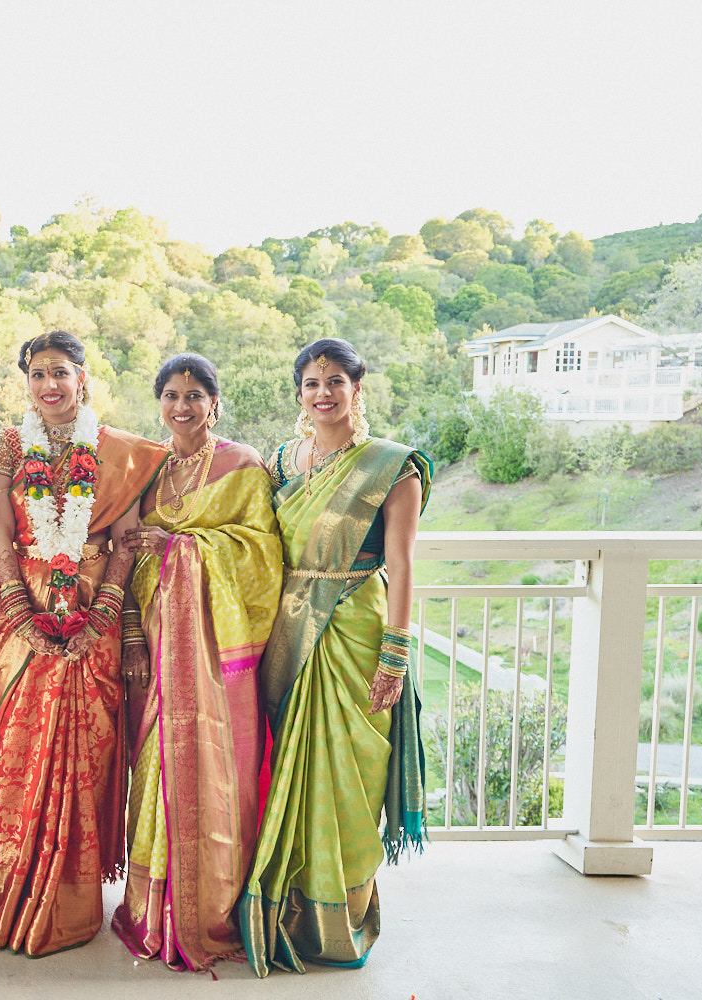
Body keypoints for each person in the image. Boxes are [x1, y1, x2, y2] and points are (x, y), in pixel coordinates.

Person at [237, 337, 431, 977]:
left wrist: (395, 658)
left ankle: (340, 921)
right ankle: (284, 911)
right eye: (312, 383)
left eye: (335, 382)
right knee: (284, 775)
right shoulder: (282, 462)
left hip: (354, 634)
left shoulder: (390, 467)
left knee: (348, 781)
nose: (323, 394)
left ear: (356, 389)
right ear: (299, 393)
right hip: (286, 634)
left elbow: (401, 566)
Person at [0, 331, 167, 957]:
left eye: (60, 372)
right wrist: (17, 610)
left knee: (87, 763)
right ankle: (11, 893)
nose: (49, 385)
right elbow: (1, 540)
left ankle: (73, 905)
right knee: (16, 759)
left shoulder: (121, 453)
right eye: (37, 374)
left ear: (82, 378)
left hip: (95, 622)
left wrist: (104, 613)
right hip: (20, 618)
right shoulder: (7, 446)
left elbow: (125, 543)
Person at [110, 353, 283, 972]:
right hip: (160, 647)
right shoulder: (147, 472)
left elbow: (264, 554)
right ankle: (153, 908)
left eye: (194, 395)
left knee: (218, 771)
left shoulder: (242, 465)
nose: (181, 407)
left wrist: (182, 547)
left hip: (217, 656)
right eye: (171, 395)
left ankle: (208, 909)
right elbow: (125, 561)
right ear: (159, 402)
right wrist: (132, 632)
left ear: (215, 402)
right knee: (157, 765)